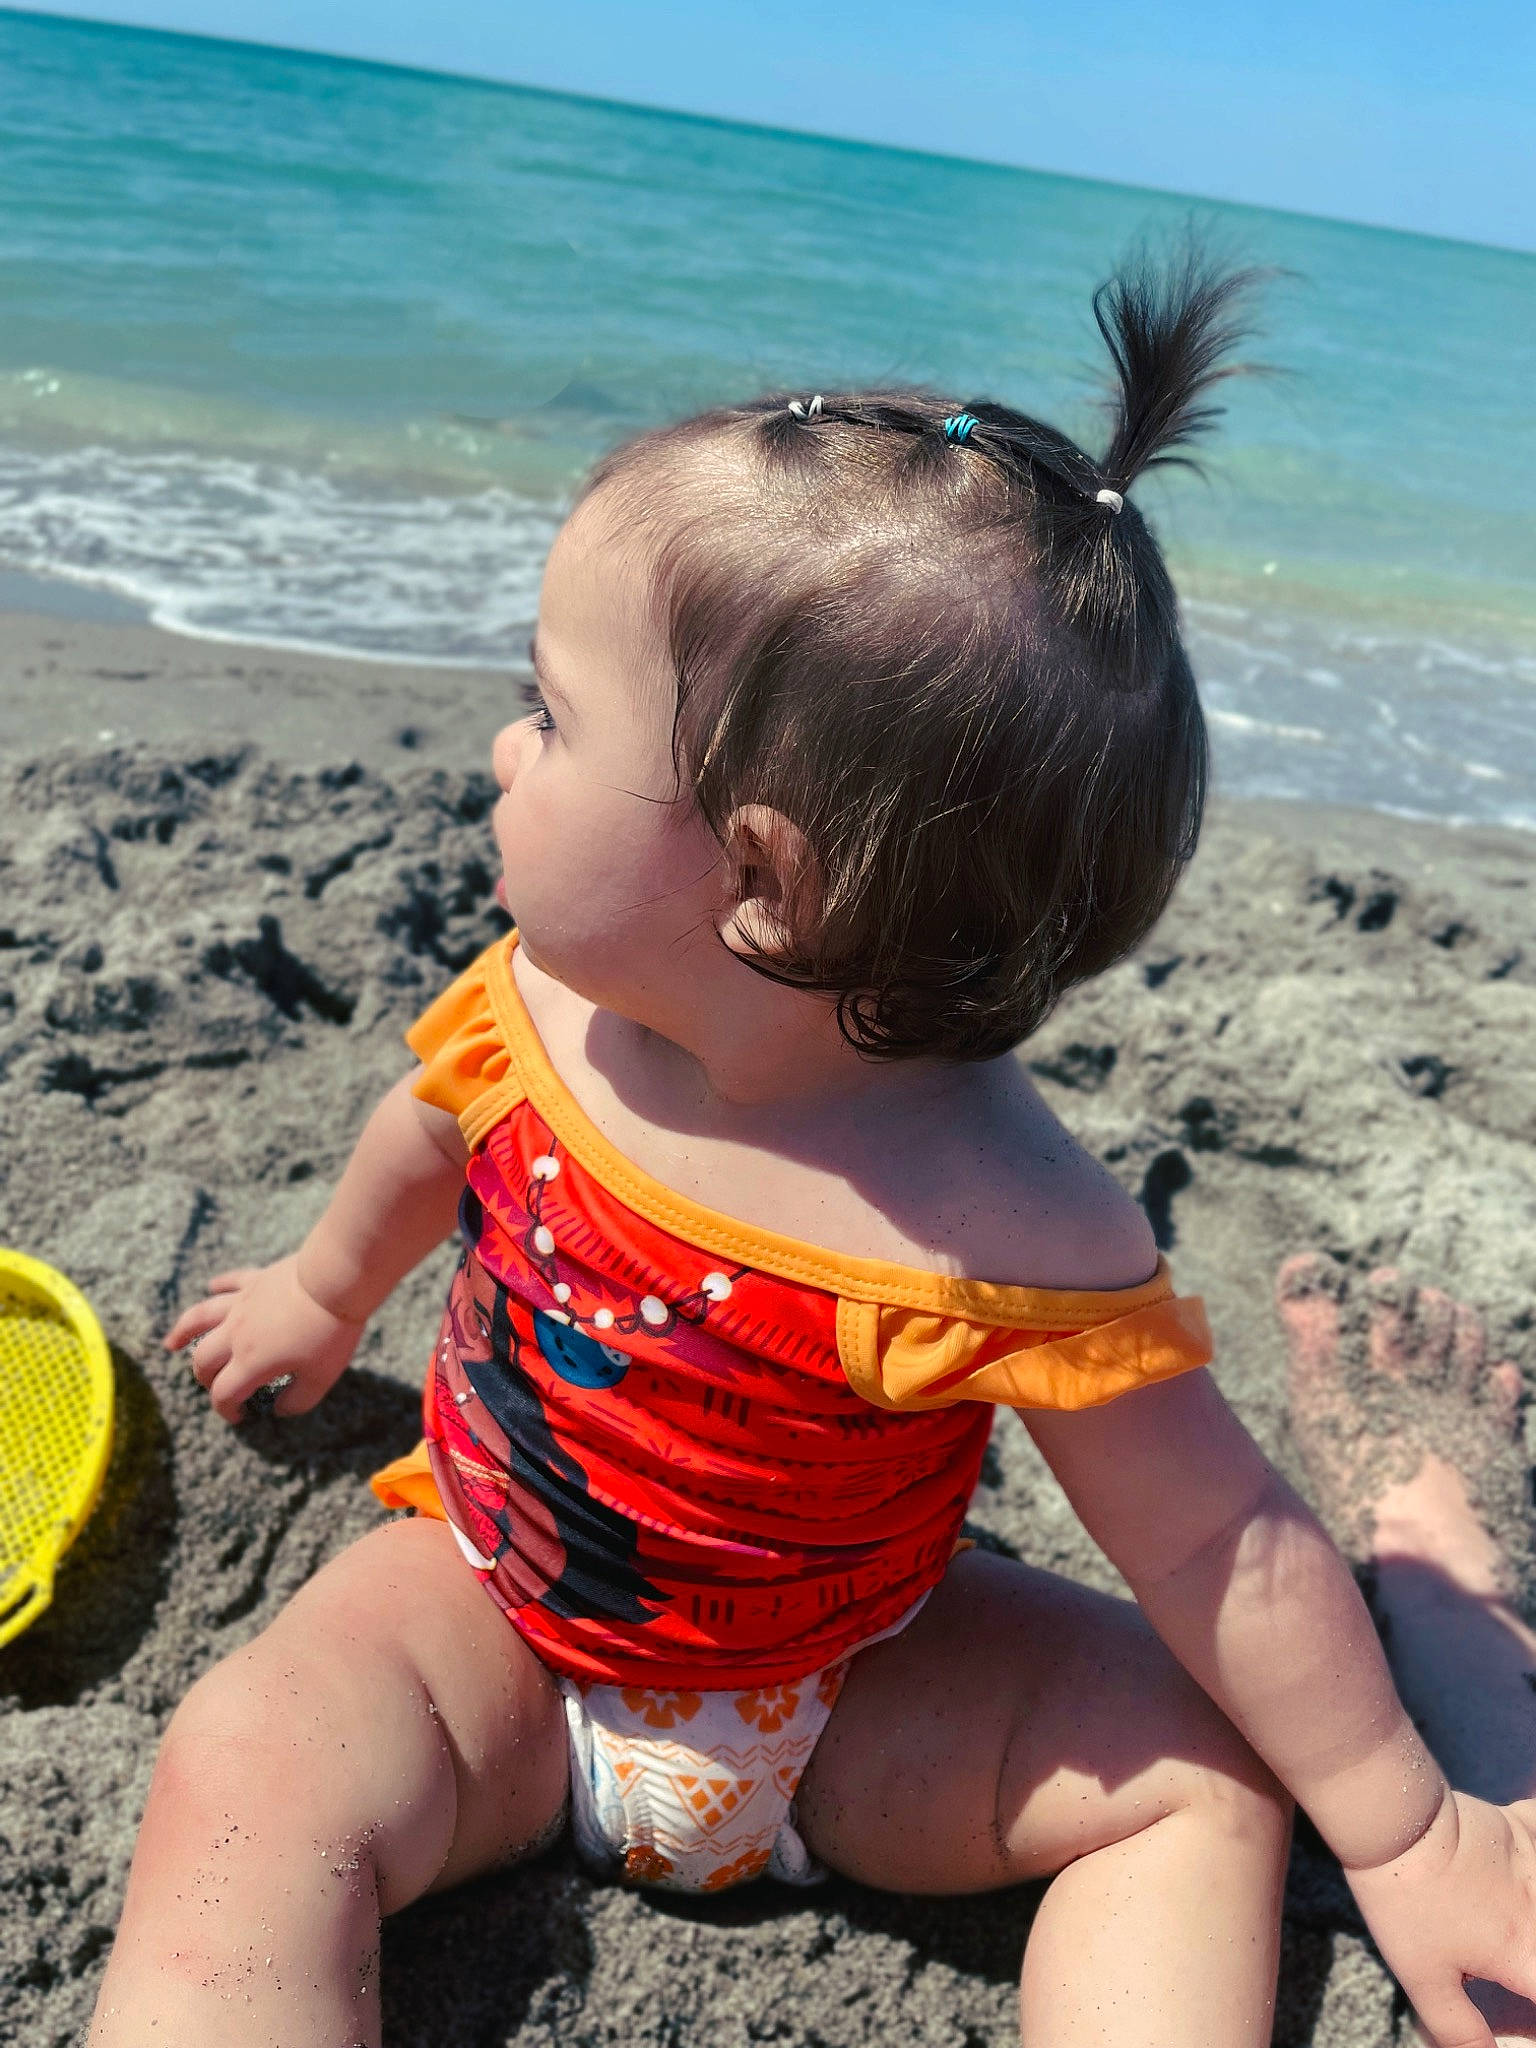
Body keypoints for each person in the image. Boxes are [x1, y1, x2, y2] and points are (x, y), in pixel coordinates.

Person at [88, 251, 1536, 2048]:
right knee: (255, 1752)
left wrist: (1401, 1827)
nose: (501, 743)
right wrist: (324, 1289)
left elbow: (1221, 1543)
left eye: (552, 711)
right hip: (498, 1626)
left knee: (1195, 1777)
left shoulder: (1007, 1227)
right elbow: (429, 1134)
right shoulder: (535, 1007)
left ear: (763, 883)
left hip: (852, 1700)